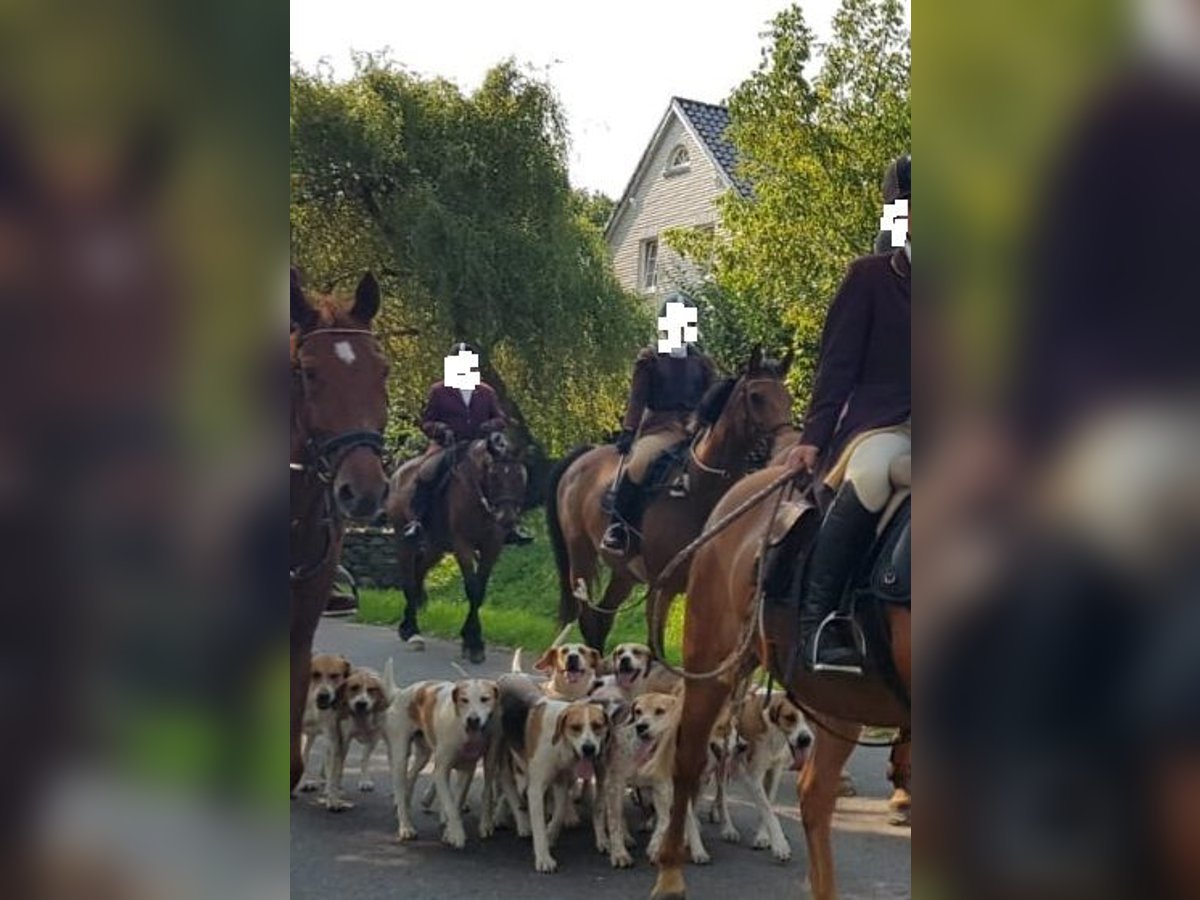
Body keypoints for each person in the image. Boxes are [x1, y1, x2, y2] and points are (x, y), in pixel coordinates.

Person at [787, 154, 911, 676]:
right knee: (872, 473)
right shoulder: (869, 277)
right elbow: (836, 365)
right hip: (881, 423)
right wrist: (815, 435)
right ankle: (820, 619)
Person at [602, 293, 716, 556]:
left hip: (696, 430)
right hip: (661, 429)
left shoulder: (702, 363)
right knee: (639, 462)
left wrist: (703, 422)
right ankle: (618, 527)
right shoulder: (650, 360)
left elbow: (709, 400)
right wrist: (629, 430)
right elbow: (638, 399)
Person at [402, 342, 531, 544]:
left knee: (508, 470)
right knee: (426, 471)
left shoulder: (486, 391)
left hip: (480, 445)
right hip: (447, 444)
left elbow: (501, 418)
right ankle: (418, 522)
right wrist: (440, 429)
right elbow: (426, 422)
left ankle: (512, 522)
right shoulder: (438, 391)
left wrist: (491, 424)